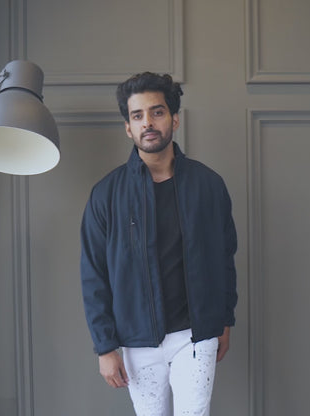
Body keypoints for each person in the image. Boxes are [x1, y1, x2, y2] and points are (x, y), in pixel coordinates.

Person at [80, 72, 238, 416]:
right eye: (137, 116)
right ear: (128, 127)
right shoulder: (106, 194)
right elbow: (94, 275)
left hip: (196, 336)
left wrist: (224, 320)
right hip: (137, 341)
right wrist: (105, 347)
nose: (148, 123)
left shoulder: (208, 185)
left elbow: (225, 258)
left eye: (157, 112)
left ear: (174, 119)